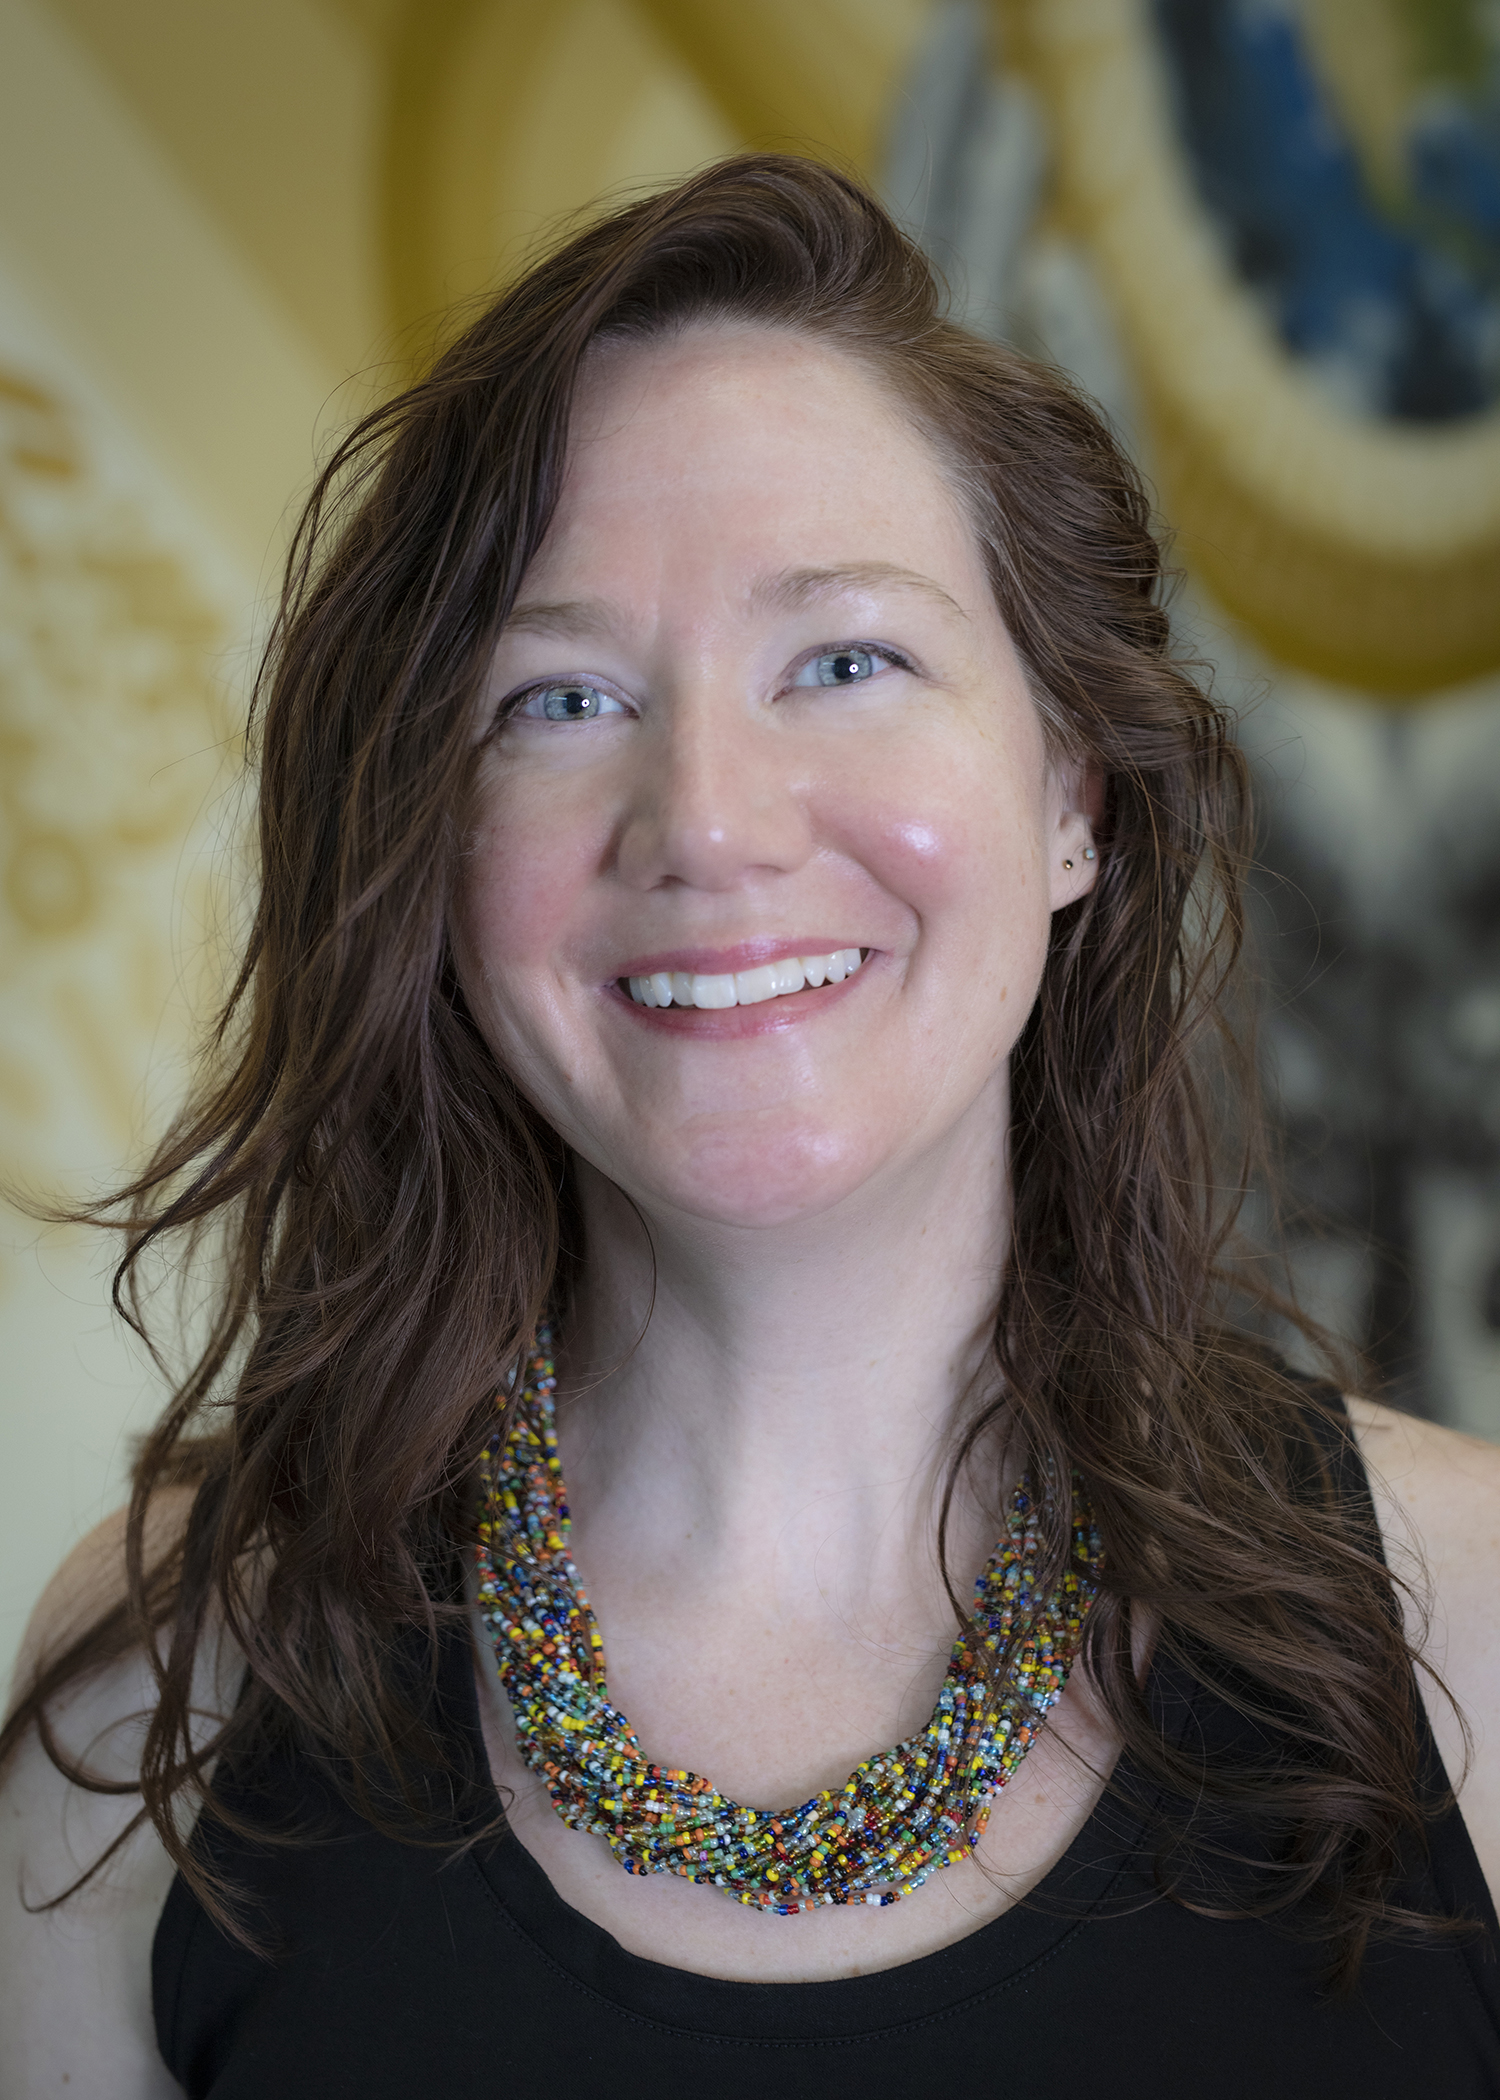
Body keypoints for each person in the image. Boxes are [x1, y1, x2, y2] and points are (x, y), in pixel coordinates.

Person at [2, 155, 1498, 2098]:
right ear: (432, 854)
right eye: (556, 700)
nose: (705, 818)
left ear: (1074, 797)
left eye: (847, 659)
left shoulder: (1470, 1620)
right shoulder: (163, 1700)